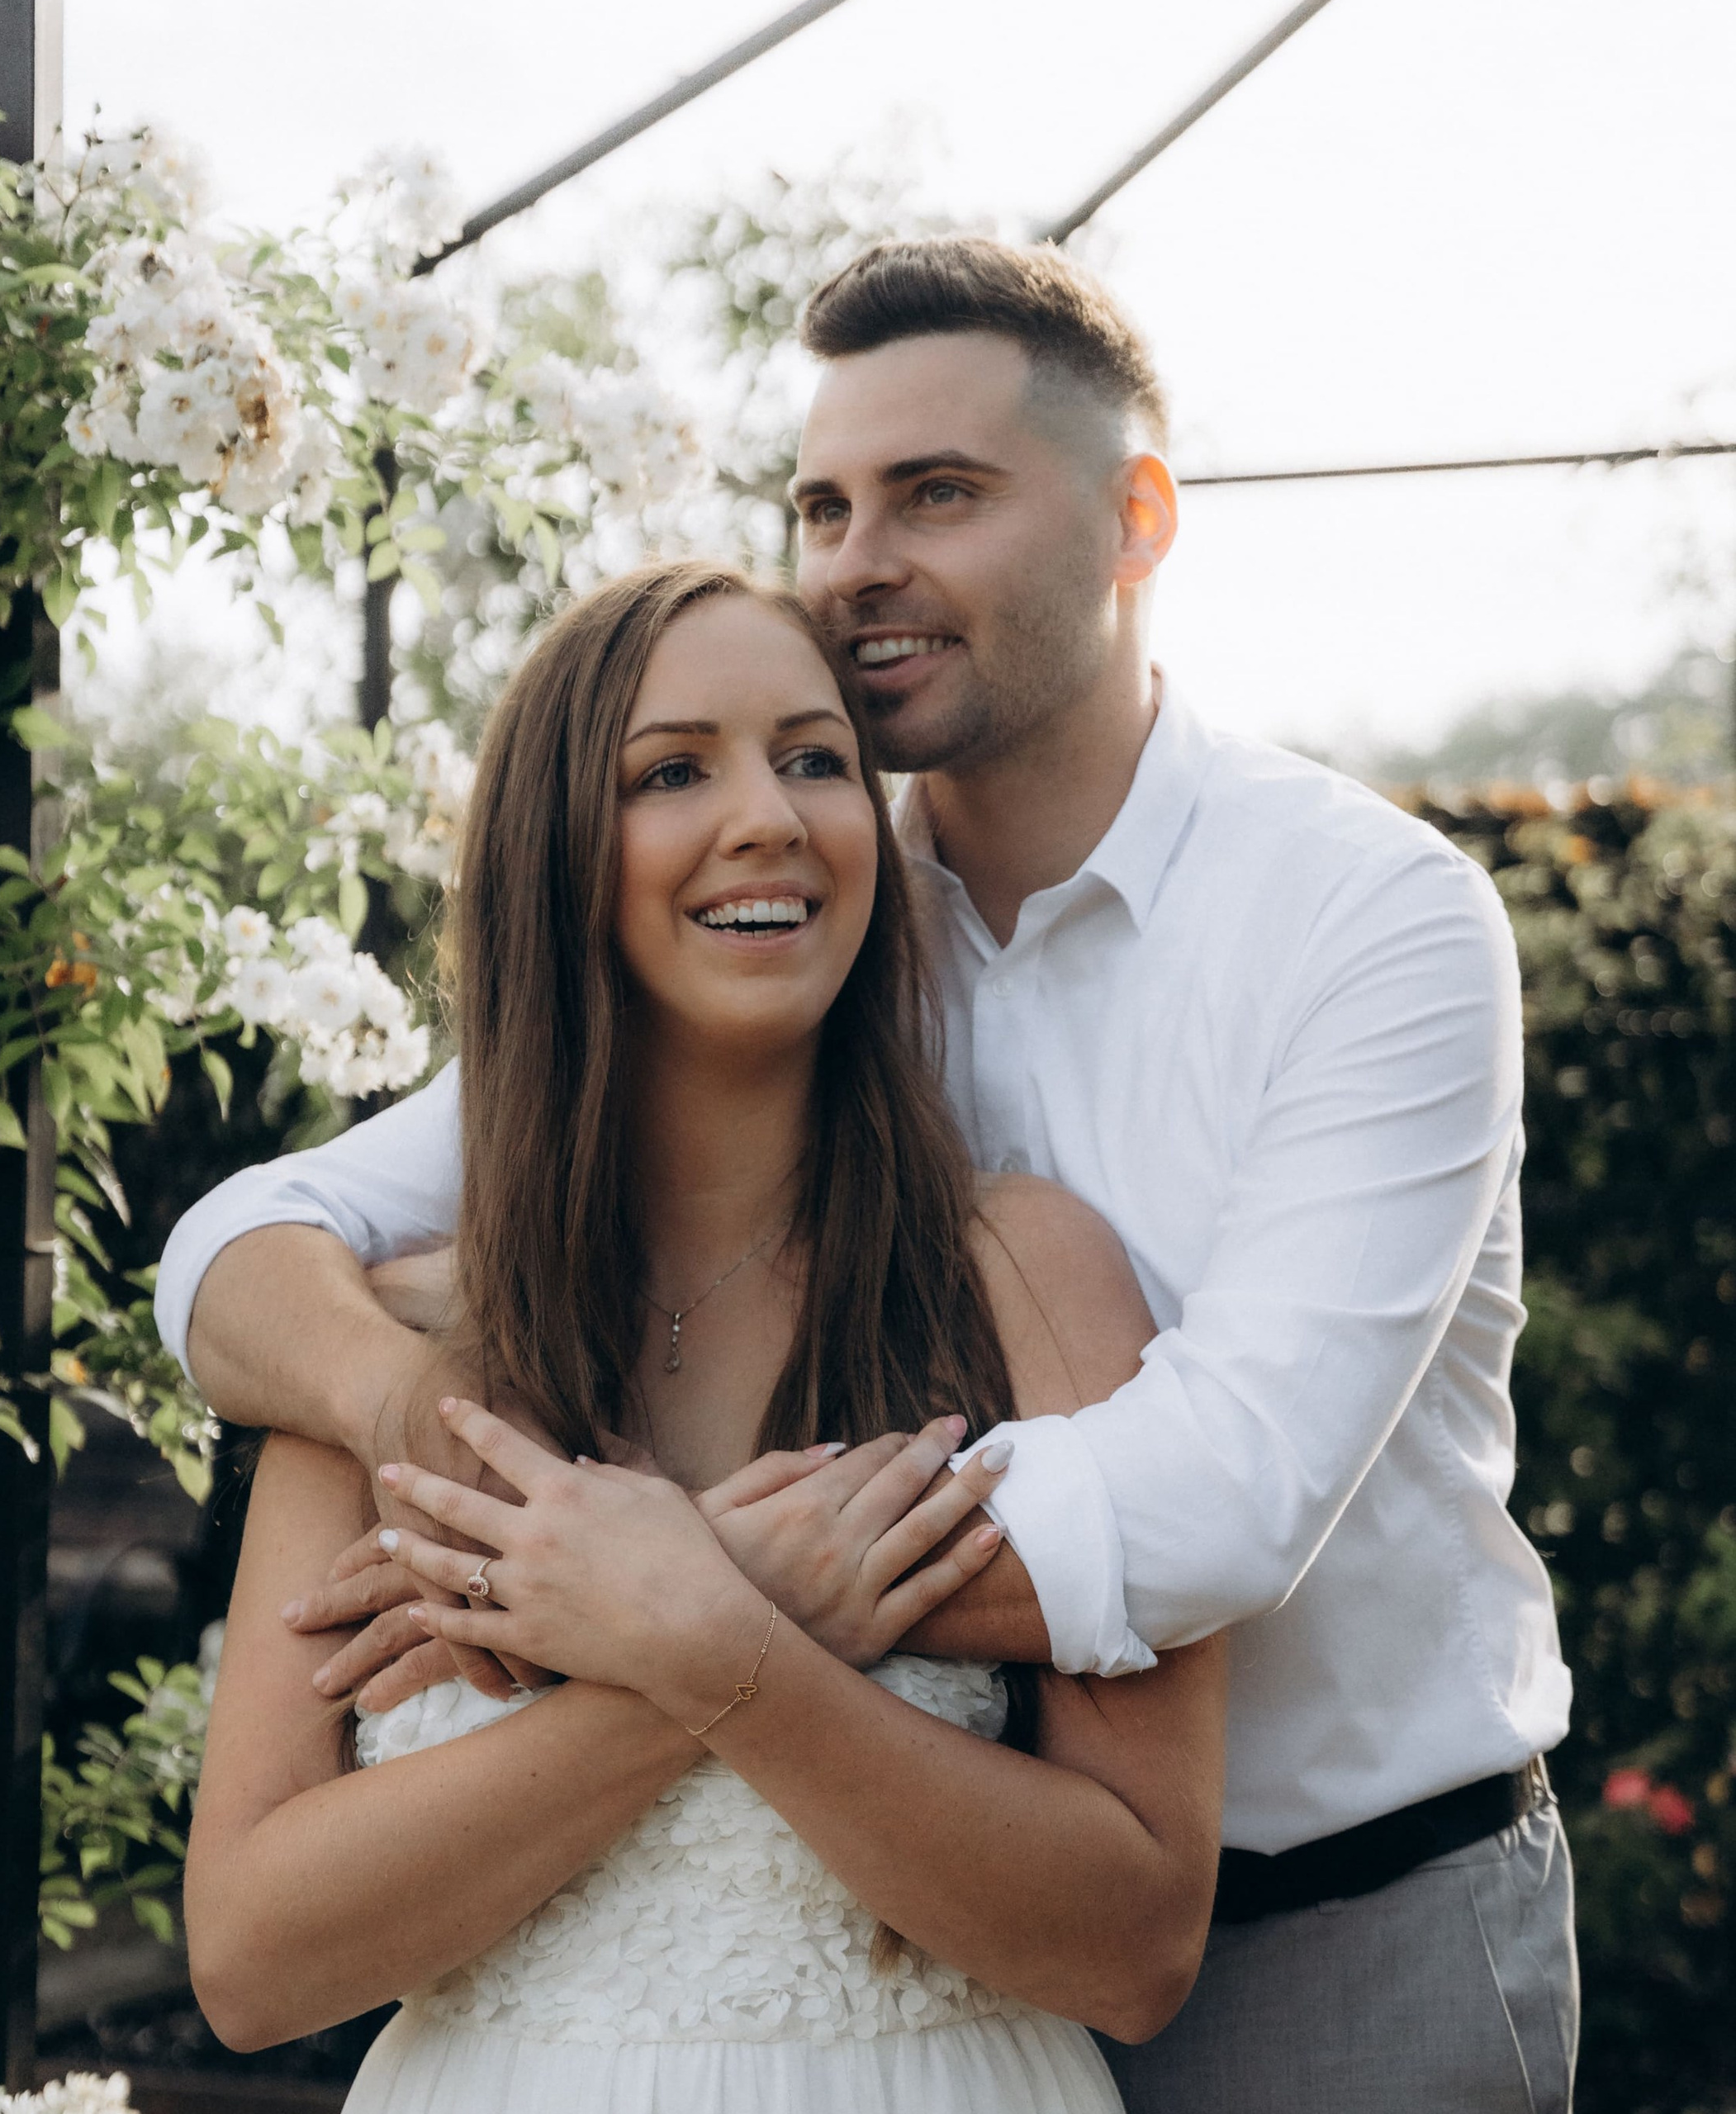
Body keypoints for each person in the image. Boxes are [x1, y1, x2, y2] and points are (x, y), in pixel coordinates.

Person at [163, 237, 1577, 2112]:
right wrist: (407, 1402)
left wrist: (692, 1589)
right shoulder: (797, 902)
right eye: (821, 503)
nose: (854, 561)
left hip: (1332, 1918)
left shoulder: (1366, 921)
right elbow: (251, 1241)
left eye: (937, 494)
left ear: (1134, 517)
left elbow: (1225, 1499)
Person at [185, 562, 1229, 2112]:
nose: (770, 816)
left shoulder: (1028, 1276)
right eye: (674, 771)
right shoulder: (400, 1345)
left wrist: (711, 1639)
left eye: (817, 759)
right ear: (557, 858)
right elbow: (255, 1962)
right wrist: (706, 1634)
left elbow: (1137, 1944)